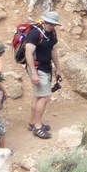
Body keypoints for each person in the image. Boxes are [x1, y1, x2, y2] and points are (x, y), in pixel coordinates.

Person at [25, 10, 63, 139]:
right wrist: (34, 73)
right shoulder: (35, 33)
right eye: (50, 24)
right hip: (37, 68)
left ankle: (33, 123)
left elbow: (52, 50)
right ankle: (38, 127)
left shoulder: (52, 33)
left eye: (53, 25)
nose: (51, 26)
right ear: (45, 21)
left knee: (38, 96)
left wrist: (58, 68)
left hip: (46, 67)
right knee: (45, 97)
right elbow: (28, 53)